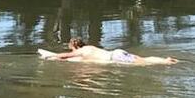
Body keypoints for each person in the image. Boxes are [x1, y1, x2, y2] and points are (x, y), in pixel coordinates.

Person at [48, 38, 178, 65]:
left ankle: (166, 62)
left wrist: (52, 57)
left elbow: (65, 56)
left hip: (115, 58)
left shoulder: (80, 51)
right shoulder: (90, 47)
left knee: (143, 63)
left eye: (71, 48)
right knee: (144, 59)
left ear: (74, 46)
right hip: (116, 53)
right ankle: (165, 60)